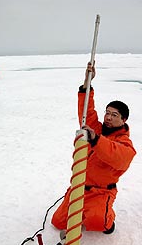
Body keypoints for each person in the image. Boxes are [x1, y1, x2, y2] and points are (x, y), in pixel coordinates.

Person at [51, 62, 136, 234]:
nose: (109, 117)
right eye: (107, 113)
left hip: (101, 192)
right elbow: (86, 111)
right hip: (80, 188)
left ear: (124, 120)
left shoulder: (125, 144)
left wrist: (96, 140)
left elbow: (116, 156)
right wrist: (86, 83)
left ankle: (106, 216)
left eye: (114, 115)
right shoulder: (95, 129)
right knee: (58, 222)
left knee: (98, 223)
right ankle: (82, 210)